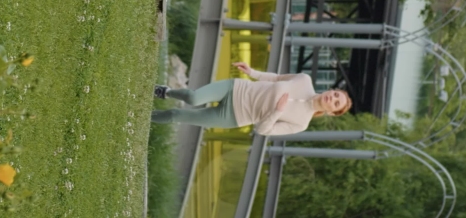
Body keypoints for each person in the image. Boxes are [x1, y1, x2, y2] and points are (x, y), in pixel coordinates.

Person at [151, 62, 352, 136]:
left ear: (331, 113)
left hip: (233, 116)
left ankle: (139, 116)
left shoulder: (301, 123)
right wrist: (252, 72)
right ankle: (166, 92)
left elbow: (263, 130)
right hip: (237, 89)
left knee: (177, 115)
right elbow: (276, 78)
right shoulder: (304, 80)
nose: (331, 98)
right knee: (193, 97)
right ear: (331, 90)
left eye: (336, 103)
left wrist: (277, 112)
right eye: (335, 94)